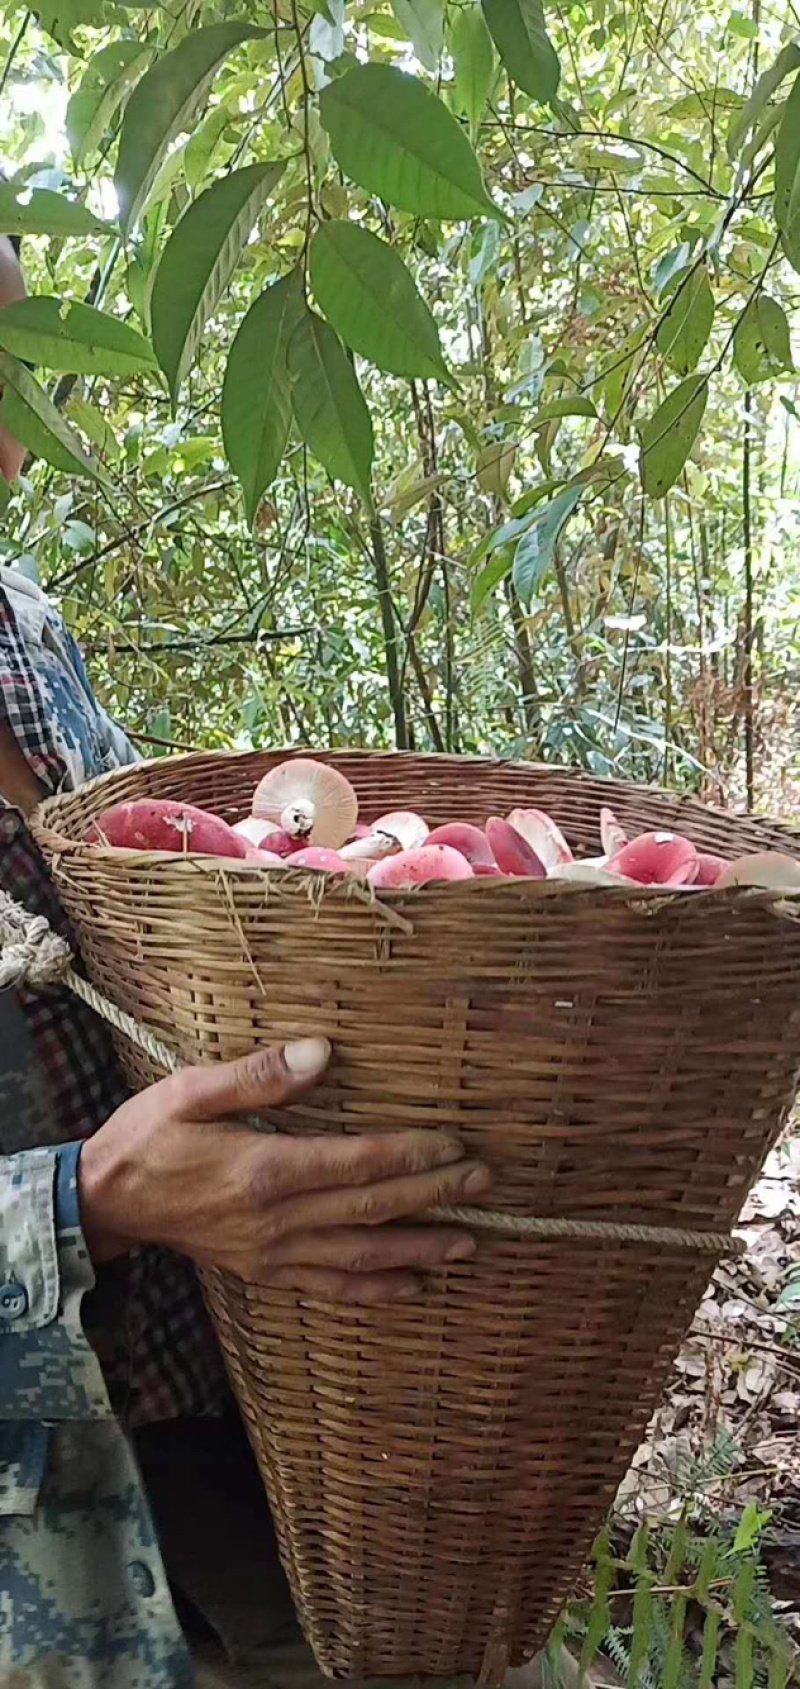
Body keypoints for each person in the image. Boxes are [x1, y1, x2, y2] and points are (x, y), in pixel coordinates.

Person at [0, 225, 490, 1689]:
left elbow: (142, 965)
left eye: (16, 370)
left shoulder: (23, 631)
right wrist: (86, 1202)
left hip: (239, 1417)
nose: (16, 444)